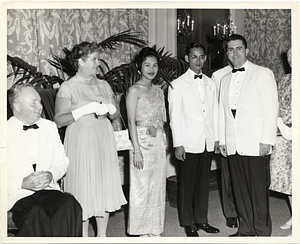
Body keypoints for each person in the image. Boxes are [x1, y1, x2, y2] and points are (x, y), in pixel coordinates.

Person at [54, 42, 127, 237]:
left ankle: (102, 236)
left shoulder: (103, 84)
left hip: (103, 139)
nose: (98, 63)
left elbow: (115, 115)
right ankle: (83, 237)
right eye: (94, 59)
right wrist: (82, 111)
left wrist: (111, 110)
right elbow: (59, 120)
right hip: (81, 142)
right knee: (84, 188)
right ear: (80, 61)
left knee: (102, 186)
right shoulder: (67, 87)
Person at [218, 34, 278, 236]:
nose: (234, 53)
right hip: (233, 143)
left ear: (247, 50)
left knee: (258, 190)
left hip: (255, 143)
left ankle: (261, 230)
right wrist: (222, 140)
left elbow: (271, 110)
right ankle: (246, 228)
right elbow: (221, 113)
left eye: (239, 48)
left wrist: (266, 140)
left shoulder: (263, 74)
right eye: (230, 49)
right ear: (227, 53)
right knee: (239, 189)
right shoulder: (224, 79)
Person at [7, 83, 82, 237]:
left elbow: (62, 160)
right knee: (35, 213)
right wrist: (22, 183)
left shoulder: (49, 127)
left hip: (47, 190)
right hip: (15, 194)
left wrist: (51, 175)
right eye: (33, 103)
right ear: (17, 106)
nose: (39, 106)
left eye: (39, 101)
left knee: (70, 204)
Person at [168, 42, 220, 237]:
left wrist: (215, 138)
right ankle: (187, 222)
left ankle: (201, 219)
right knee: (187, 183)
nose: (198, 61)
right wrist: (178, 143)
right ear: (187, 59)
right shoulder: (178, 84)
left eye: (201, 57)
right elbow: (175, 117)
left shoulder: (211, 82)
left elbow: (214, 112)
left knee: (203, 183)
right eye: (194, 57)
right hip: (188, 142)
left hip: (207, 140)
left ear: (205, 58)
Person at [126, 47, 167, 237]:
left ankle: (154, 228)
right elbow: (130, 121)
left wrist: (157, 127)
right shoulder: (133, 90)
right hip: (140, 142)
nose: (151, 69)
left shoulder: (158, 90)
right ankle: (141, 231)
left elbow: (162, 118)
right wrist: (136, 150)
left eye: (155, 65)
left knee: (157, 185)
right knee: (141, 187)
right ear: (139, 67)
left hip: (157, 141)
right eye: (147, 65)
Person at [211, 63, 238, 229]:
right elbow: (215, 109)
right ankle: (231, 213)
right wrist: (218, 138)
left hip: (245, 134)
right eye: (230, 49)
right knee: (228, 176)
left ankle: (245, 210)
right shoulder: (218, 76)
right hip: (226, 133)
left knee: (244, 176)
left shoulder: (254, 73)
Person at [269, 46, 292, 234]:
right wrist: (279, 125)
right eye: (290, 56)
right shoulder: (284, 80)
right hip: (284, 134)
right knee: (288, 180)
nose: (292, 59)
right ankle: (295, 215)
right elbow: (276, 104)